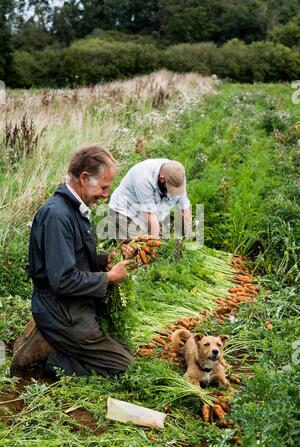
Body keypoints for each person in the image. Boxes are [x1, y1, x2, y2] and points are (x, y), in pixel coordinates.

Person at [10, 145, 134, 378]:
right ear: (85, 178)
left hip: (74, 305)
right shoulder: (57, 215)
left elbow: (74, 258)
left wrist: (107, 259)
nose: (106, 194)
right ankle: (50, 360)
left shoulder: (74, 208)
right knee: (124, 367)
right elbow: (63, 280)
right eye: (104, 187)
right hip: (60, 311)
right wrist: (109, 277)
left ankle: (59, 347)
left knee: (124, 349)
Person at [108, 158, 192, 240]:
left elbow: (184, 207)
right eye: (170, 189)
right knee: (136, 248)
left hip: (149, 212)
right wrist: (155, 242)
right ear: (162, 179)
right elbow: (150, 215)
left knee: (162, 239)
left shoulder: (178, 175)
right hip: (125, 211)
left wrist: (189, 236)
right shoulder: (143, 176)